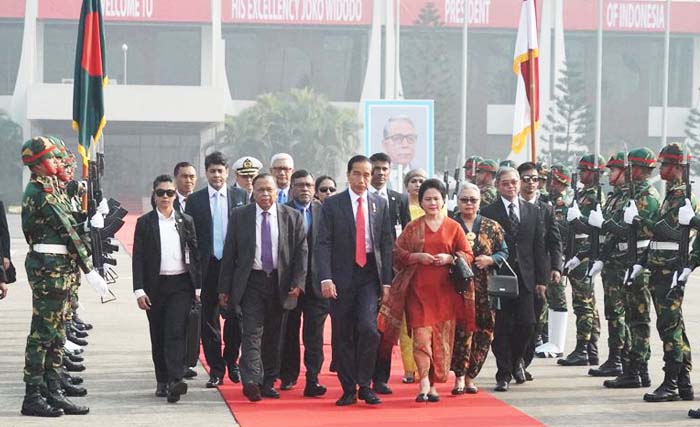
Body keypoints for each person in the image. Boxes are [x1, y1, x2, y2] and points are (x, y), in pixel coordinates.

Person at [20, 136, 105, 417]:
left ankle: (52, 390)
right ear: (37, 163)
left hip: (59, 269)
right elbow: (67, 230)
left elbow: (73, 224)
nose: (58, 162)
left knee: (56, 334)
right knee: (43, 334)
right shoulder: (40, 193)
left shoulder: (52, 191)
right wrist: (89, 268)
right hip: (49, 270)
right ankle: (33, 395)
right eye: (52, 158)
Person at [379, 178, 473, 402]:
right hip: (418, 292)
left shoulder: (453, 227)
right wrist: (415, 257)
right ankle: (423, 383)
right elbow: (397, 253)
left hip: (445, 293)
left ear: (443, 201)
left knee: (440, 341)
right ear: (420, 202)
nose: (432, 203)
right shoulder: (413, 227)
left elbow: (468, 254)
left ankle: (434, 383)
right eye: (427, 199)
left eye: (436, 199)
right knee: (421, 338)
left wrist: (450, 258)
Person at [217, 173, 307, 402]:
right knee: (252, 332)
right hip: (251, 283)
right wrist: (224, 289)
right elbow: (230, 255)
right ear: (253, 193)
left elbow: (301, 253)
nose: (265, 194)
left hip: (280, 282)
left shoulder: (291, 217)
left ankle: (268, 381)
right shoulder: (240, 216)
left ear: (277, 191)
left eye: (269, 189)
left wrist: (298, 282)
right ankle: (251, 380)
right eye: (260, 190)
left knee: (274, 336)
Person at [316, 155, 393, 406]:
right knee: (343, 332)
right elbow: (323, 243)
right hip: (341, 275)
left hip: (369, 275)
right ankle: (348, 388)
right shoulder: (333, 205)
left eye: (367, 175)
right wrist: (326, 277)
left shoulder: (379, 204)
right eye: (358, 174)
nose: (363, 180)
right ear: (348, 175)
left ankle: (365, 384)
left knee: (369, 329)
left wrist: (387, 282)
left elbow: (385, 243)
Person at [592, 148, 659, 389]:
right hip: (620, 259)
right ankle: (631, 368)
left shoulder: (648, 196)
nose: (615, 172)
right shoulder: (626, 195)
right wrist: (602, 257)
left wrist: (607, 224)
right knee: (629, 317)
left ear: (639, 170)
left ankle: (639, 369)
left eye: (621, 168)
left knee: (638, 319)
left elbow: (643, 231)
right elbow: (619, 230)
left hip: (638, 261)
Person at [132, 175, 202, 403]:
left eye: (169, 193)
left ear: (175, 196)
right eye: (160, 193)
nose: (165, 197)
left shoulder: (186, 221)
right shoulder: (145, 223)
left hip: (180, 285)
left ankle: (175, 380)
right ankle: (162, 379)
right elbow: (139, 259)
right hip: (155, 286)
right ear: (154, 195)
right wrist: (139, 290)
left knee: (175, 331)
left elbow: (195, 255)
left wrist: (197, 286)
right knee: (159, 334)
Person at [185, 151, 249, 388]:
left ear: (227, 172)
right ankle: (216, 369)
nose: (216, 175)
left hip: (233, 268)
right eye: (212, 171)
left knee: (236, 318)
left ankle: (232, 360)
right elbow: (190, 238)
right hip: (207, 267)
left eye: (220, 171)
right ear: (206, 172)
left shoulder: (241, 196)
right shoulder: (195, 200)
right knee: (208, 321)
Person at [480, 167, 547, 392]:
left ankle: (518, 359)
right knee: (502, 327)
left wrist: (542, 279)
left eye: (515, 182)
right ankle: (503, 372)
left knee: (528, 324)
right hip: (500, 275)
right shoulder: (489, 211)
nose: (512, 186)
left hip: (526, 276)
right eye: (506, 183)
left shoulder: (533, 211)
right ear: (498, 185)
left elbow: (539, 246)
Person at [639, 143, 694, 402]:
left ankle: (671, 382)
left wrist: (642, 222)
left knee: (669, 327)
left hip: (671, 269)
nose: (660, 169)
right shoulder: (671, 195)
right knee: (674, 327)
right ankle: (683, 383)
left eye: (665, 165)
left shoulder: (682, 196)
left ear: (677, 168)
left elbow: (671, 233)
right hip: (660, 268)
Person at [451, 183, 508, 394]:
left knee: (484, 332)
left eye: (473, 200)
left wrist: (491, 259)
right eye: (464, 199)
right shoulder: (450, 224)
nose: (468, 204)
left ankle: (470, 376)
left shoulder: (491, 227)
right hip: (457, 288)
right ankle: (458, 376)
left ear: (479, 202)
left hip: (485, 288)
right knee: (460, 332)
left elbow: (504, 251)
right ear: (457, 202)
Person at [278, 170, 329, 397]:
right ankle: (288, 376)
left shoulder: (324, 211)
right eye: (300, 185)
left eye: (309, 185)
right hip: (290, 283)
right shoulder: (282, 212)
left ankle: (313, 378)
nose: (305, 189)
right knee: (289, 330)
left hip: (317, 283)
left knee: (314, 334)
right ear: (292, 188)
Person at [368, 152, 412, 391]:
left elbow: (407, 234)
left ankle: (380, 378)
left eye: (385, 169)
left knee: (387, 328)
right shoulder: (361, 199)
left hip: (394, 274)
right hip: (366, 273)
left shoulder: (399, 200)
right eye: (376, 168)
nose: (380, 173)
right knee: (366, 326)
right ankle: (361, 374)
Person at [517, 162, 563, 379]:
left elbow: (555, 241)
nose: (531, 183)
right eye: (526, 178)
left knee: (533, 320)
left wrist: (556, 267)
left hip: (539, 272)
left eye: (535, 179)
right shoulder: (511, 206)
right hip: (514, 270)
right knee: (511, 320)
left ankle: (523, 361)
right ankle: (511, 362)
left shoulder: (546, 209)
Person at [559, 154, 605, 367]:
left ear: (595, 173)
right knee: (587, 304)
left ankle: (583, 348)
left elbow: (593, 227)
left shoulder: (596, 196)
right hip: (576, 250)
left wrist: (578, 219)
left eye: (585, 170)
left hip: (585, 251)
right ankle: (590, 348)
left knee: (583, 304)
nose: (581, 174)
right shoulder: (582, 194)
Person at [588, 153, 629, 378]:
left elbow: (626, 230)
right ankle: (616, 358)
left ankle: (622, 359)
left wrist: (603, 223)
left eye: (614, 170)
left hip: (624, 263)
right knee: (613, 312)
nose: (609, 174)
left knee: (622, 314)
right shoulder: (615, 198)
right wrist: (600, 257)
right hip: (612, 262)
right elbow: (609, 234)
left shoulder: (632, 198)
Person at [535, 165, 573, 358]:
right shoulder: (543, 201)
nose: (548, 184)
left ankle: (556, 343)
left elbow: (561, 231)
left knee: (556, 298)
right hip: (543, 255)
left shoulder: (562, 204)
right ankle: (542, 337)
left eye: (552, 181)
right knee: (544, 298)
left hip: (557, 255)